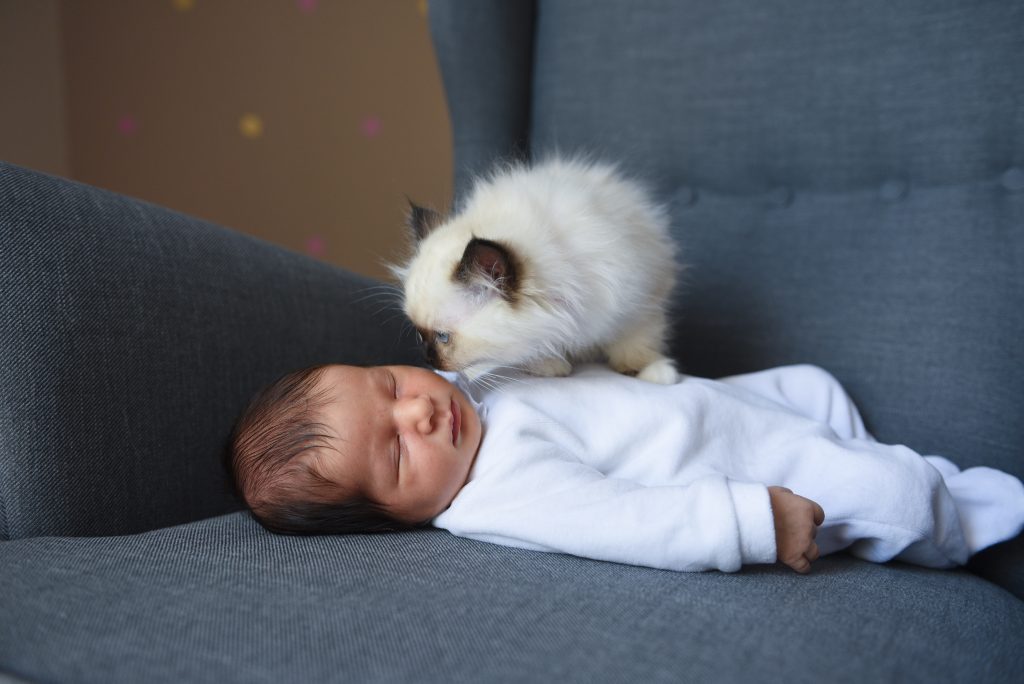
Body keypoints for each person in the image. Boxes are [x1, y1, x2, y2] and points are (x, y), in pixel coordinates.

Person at [227, 363, 1024, 574]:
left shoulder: (477, 385)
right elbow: (632, 525)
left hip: (734, 408)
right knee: (901, 493)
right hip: (758, 475)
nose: (421, 414)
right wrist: (753, 521)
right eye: (397, 453)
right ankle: (972, 524)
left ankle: (900, 475)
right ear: (400, 518)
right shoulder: (501, 494)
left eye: (392, 386)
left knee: (814, 388)